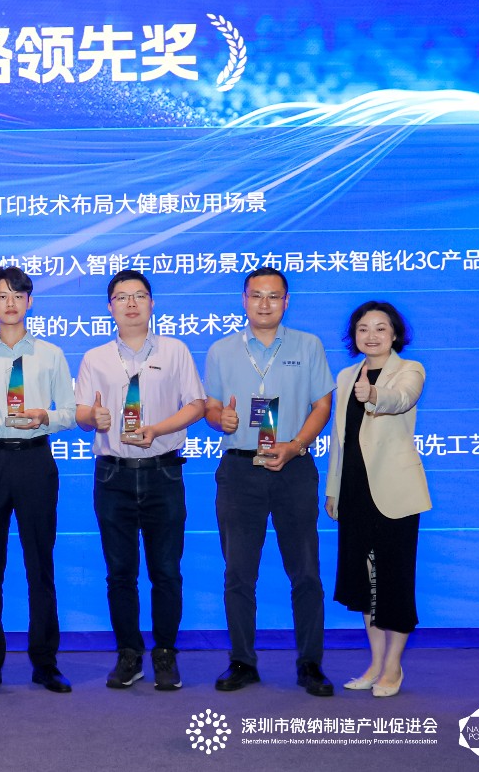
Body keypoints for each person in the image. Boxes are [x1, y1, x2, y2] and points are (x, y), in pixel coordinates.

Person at [203, 267, 335, 696]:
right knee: (238, 574)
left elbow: (322, 405)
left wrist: (295, 445)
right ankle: (242, 661)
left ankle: (310, 664)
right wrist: (220, 418)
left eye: (274, 296)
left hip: (293, 468)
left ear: (286, 301)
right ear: (243, 300)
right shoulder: (221, 350)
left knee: (307, 573)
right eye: (256, 295)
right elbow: (211, 407)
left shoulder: (308, 345)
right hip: (240, 470)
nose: (264, 304)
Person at [75, 270, 205, 691]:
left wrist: (158, 429)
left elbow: (197, 405)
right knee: (120, 572)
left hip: (162, 470)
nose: (131, 303)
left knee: (166, 570)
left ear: (152, 303)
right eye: (121, 297)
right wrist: (93, 417)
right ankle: (128, 654)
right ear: (109, 307)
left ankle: (165, 653)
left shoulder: (175, 350)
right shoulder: (95, 358)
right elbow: (80, 414)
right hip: (113, 473)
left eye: (139, 296)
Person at [0, 267, 76, 695]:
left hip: (35, 461)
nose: (10, 303)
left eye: (18, 295)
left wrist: (46, 416)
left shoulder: (51, 354)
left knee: (40, 565)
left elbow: (72, 412)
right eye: (2, 296)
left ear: (30, 302)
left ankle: (46, 663)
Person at [325, 301, 430, 698]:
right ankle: (375, 663)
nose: (371, 335)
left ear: (395, 334)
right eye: (363, 328)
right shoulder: (345, 375)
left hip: (395, 492)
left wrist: (372, 394)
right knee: (365, 584)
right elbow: (340, 440)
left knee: (394, 580)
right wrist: (333, 488)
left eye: (380, 328)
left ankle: (393, 667)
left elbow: (400, 399)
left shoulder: (410, 370)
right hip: (353, 491)